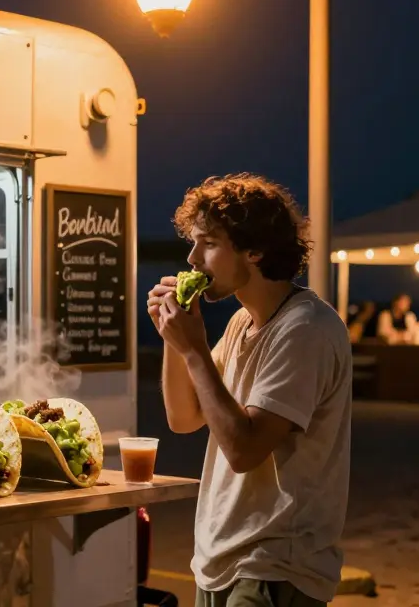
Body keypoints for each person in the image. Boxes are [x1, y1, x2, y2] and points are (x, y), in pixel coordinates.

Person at [148, 174, 353, 607]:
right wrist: (175, 336)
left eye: (208, 243)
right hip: (220, 554)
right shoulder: (243, 322)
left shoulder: (305, 330)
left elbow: (244, 450)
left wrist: (196, 349)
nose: (191, 257)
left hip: (276, 562)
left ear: (254, 251)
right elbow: (184, 419)